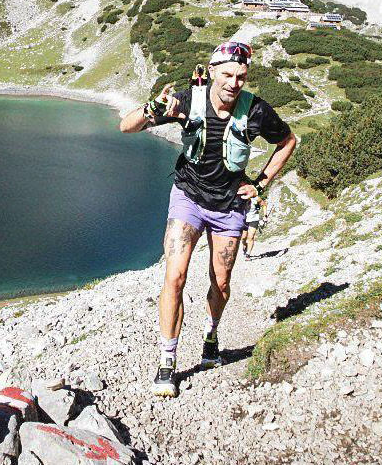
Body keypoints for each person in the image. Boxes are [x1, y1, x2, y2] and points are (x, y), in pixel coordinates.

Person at [119, 41, 297, 397]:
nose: (234, 83)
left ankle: (211, 335)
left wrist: (261, 184)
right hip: (188, 197)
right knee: (175, 276)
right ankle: (167, 361)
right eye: (228, 74)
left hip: (230, 205)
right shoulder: (187, 100)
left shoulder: (257, 111)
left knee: (222, 283)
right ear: (213, 70)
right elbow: (127, 126)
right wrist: (152, 108)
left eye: (241, 77)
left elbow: (288, 141)